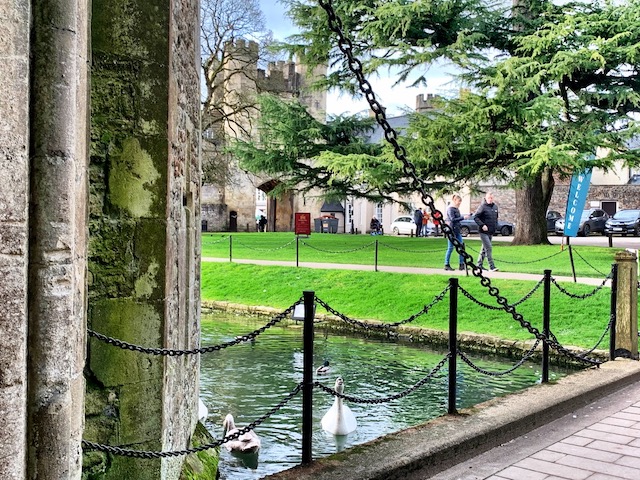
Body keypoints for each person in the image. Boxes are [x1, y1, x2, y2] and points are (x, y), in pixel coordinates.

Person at [473, 191, 499, 271]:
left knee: (484, 249)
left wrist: (495, 226)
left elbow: (496, 218)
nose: (490, 199)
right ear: (486, 198)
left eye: (491, 198)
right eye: (488, 198)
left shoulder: (495, 207)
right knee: (488, 248)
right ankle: (491, 266)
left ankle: (479, 265)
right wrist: (482, 225)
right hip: (483, 232)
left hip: (491, 231)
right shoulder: (482, 207)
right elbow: (476, 217)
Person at [444, 194, 466, 271]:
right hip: (451, 231)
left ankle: (461, 264)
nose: (459, 203)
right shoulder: (450, 209)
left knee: (461, 247)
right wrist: (463, 218)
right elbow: (452, 219)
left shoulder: (457, 209)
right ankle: (446, 264)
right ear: (455, 200)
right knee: (450, 248)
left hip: (457, 230)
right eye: (459, 201)